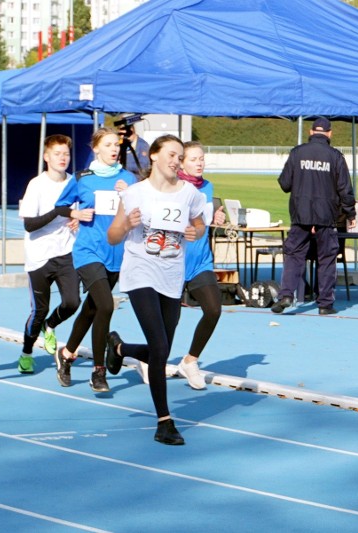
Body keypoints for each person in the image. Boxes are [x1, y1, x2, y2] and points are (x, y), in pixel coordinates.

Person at [106, 134, 206, 445]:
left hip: (172, 275)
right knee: (160, 348)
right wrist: (126, 225)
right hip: (140, 272)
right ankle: (165, 422)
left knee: (161, 349)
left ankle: (120, 349)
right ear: (154, 156)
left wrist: (194, 231)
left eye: (180, 156)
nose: (177, 161)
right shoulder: (136, 194)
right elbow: (112, 236)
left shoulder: (189, 194)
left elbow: (199, 225)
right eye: (172, 155)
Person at [52, 127, 138, 393]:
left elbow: (140, 214)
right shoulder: (83, 178)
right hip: (88, 251)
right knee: (106, 305)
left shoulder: (129, 179)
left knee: (92, 309)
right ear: (96, 148)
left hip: (116, 253)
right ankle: (98, 371)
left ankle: (66, 353)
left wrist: (130, 196)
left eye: (117, 145)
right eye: (109, 144)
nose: (114, 149)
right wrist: (76, 215)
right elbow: (60, 206)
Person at [271, 117, 356, 315]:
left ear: (311, 132)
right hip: (326, 216)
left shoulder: (297, 153)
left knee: (293, 255)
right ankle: (325, 304)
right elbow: (346, 190)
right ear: (329, 134)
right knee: (327, 258)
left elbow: (284, 184)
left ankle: (286, 295)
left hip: (300, 214)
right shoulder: (336, 156)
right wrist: (350, 213)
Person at [17, 135, 82, 374]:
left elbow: (81, 212)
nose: (63, 158)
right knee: (39, 310)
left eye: (66, 153)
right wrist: (58, 211)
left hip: (66, 252)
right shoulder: (37, 185)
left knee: (72, 302)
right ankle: (26, 351)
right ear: (46, 157)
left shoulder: (75, 183)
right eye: (57, 153)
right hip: (39, 256)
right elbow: (29, 225)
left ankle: (50, 326)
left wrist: (79, 221)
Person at [169, 140, 227, 390]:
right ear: (181, 162)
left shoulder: (208, 187)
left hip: (200, 261)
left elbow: (203, 221)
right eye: (193, 159)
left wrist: (216, 218)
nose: (200, 162)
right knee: (169, 322)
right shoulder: (172, 188)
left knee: (213, 309)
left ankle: (190, 361)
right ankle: (144, 356)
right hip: (172, 261)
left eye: (202, 158)